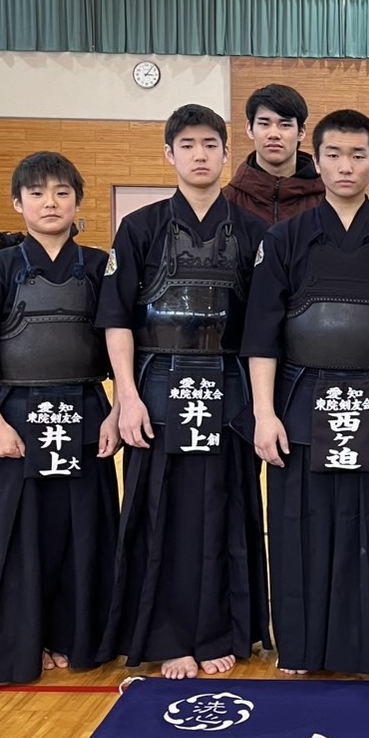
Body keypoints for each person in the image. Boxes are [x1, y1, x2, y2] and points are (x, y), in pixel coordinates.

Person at [241, 109, 369, 676]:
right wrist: (264, 414)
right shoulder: (285, 239)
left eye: (358, 155)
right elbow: (261, 333)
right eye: (333, 155)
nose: (345, 166)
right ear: (318, 160)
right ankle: (302, 648)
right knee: (301, 526)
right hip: (302, 402)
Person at [96, 104, 271, 680]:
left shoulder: (253, 231)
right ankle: (168, 636)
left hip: (229, 390)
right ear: (169, 154)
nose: (200, 155)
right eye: (188, 145)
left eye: (210, 145)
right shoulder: (139, 227)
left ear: (227, 153)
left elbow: (264, 327)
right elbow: (118, 319)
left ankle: (222, 630)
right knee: (160, 514)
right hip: (157, 388)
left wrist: (262, 406)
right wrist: (126, 398)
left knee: (226, 509)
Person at [0, 152, 120, 684]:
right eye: (37, 194)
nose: (50, 203)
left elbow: (122, 347)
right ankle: (25, 643)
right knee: (21, 537)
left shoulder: (99, 266)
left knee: (82, 532)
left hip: (86, 414)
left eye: (61, 193)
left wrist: (116, 413)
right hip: (17, 420)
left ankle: (78, 637)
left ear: (78, 201)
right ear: (17, 203)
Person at [223, 83, 324, 225]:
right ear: (250, 129)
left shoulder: (329, 203)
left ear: (301, 132)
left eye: (285, 125)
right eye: (264, 124)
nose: (274, 134)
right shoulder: (225, 203)